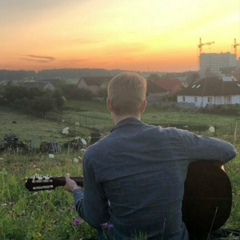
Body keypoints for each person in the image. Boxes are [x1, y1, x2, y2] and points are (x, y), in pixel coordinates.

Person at [64, 72, 237, 240]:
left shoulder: (93, 154)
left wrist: (76, 191)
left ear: (109, 104)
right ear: (144, 105)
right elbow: (228, 150)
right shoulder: (176, 138)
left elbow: (96, 219)